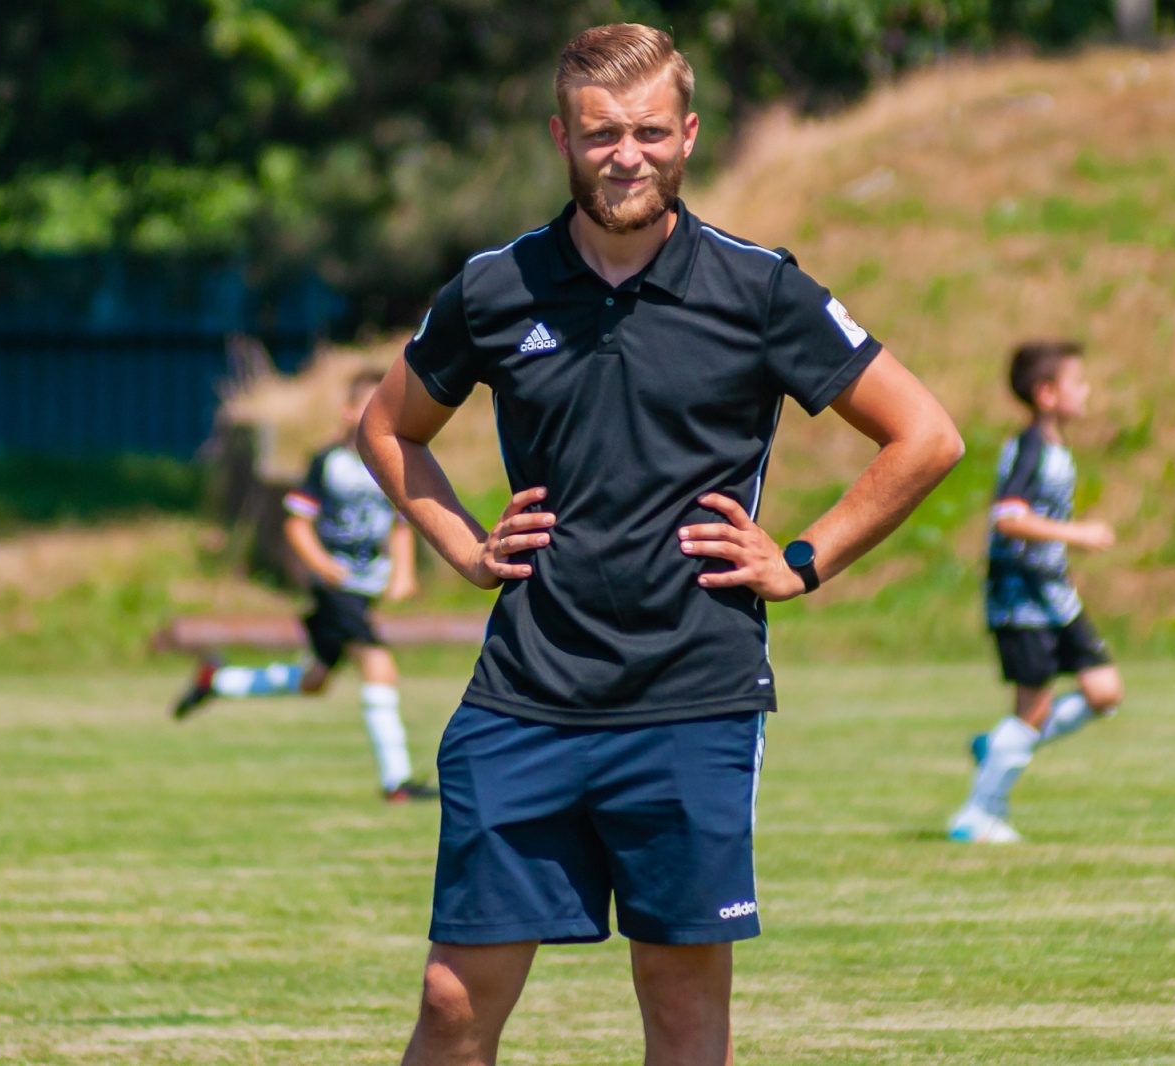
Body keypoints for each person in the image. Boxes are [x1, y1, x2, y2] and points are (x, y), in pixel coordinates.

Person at [356, 23, 965, 1064]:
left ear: (686, 137)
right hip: (523, 694)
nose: (624, 154)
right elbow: (386, 427)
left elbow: (926, 435)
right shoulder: (495, 288)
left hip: (693, 695)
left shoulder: (759, 287)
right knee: (453, 1002)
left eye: (646, 132)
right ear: (562, 138)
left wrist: (802, 560)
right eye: (600, 135)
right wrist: (461, 545)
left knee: (681, 1004)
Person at [171, 369, 439, 804]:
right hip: (334, 589)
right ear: (348, 411)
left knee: (314, 680)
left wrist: (403, 573)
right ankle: (397, 782)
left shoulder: (393, 461)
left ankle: (219, 680)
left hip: (364, 587)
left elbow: (401, 524)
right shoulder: (327, 463)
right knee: (378, 666)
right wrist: (322, 566)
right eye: (366, 405)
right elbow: (297, 526)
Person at [948, 340, 1125, 844]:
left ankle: (1000, 744)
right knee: (1033, 709)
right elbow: (1009, 518)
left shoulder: (1053, 446)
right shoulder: (1028, 448)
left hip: (1054, 594)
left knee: (1104, 692)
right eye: (1077, 382)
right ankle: (977, 816)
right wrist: (1078, 534)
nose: (1086, 390)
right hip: (1020, 596)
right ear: (1046, 394)